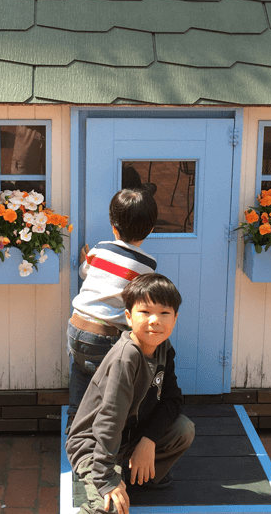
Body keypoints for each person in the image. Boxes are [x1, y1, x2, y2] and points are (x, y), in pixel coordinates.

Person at [66, 273, 195, 514]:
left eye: (164, 313)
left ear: (175, 318)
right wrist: (105, 479)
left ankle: (133, 475)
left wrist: (149, 439)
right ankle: (111, 477)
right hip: (94, 445)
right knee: (111, 508)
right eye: (145, 312)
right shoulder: (127, 357)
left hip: (129, 437)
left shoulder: (163, 348)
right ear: (128, 316)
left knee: (183, 430)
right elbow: (109, 420)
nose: (155, 320)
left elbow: (172, 399)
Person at [67, 188, 158, 427]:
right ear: (151, 229)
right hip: (105, 336)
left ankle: (73, 423)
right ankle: (103, 432)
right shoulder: (148, 265)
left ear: (113, 226)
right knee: (107, 385)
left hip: (76, 326)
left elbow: (84, 272)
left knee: (80, 372)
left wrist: (86, 259)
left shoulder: (101, 249)